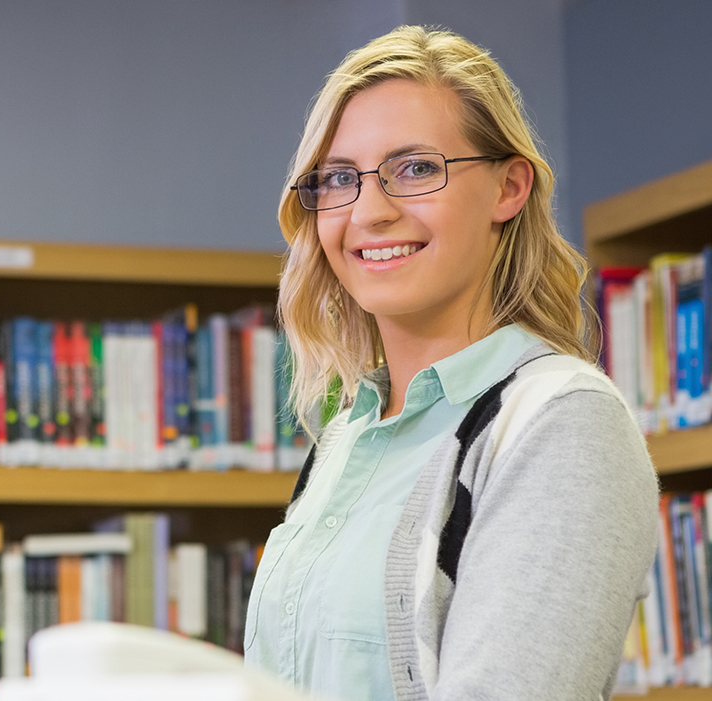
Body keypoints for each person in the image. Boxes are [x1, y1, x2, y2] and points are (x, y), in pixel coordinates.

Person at [242, 25, 659, 700]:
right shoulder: (349, 434)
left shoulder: (565, 425)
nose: (370, 211)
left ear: (509, 187)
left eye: (415, 168)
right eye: (340, 178)